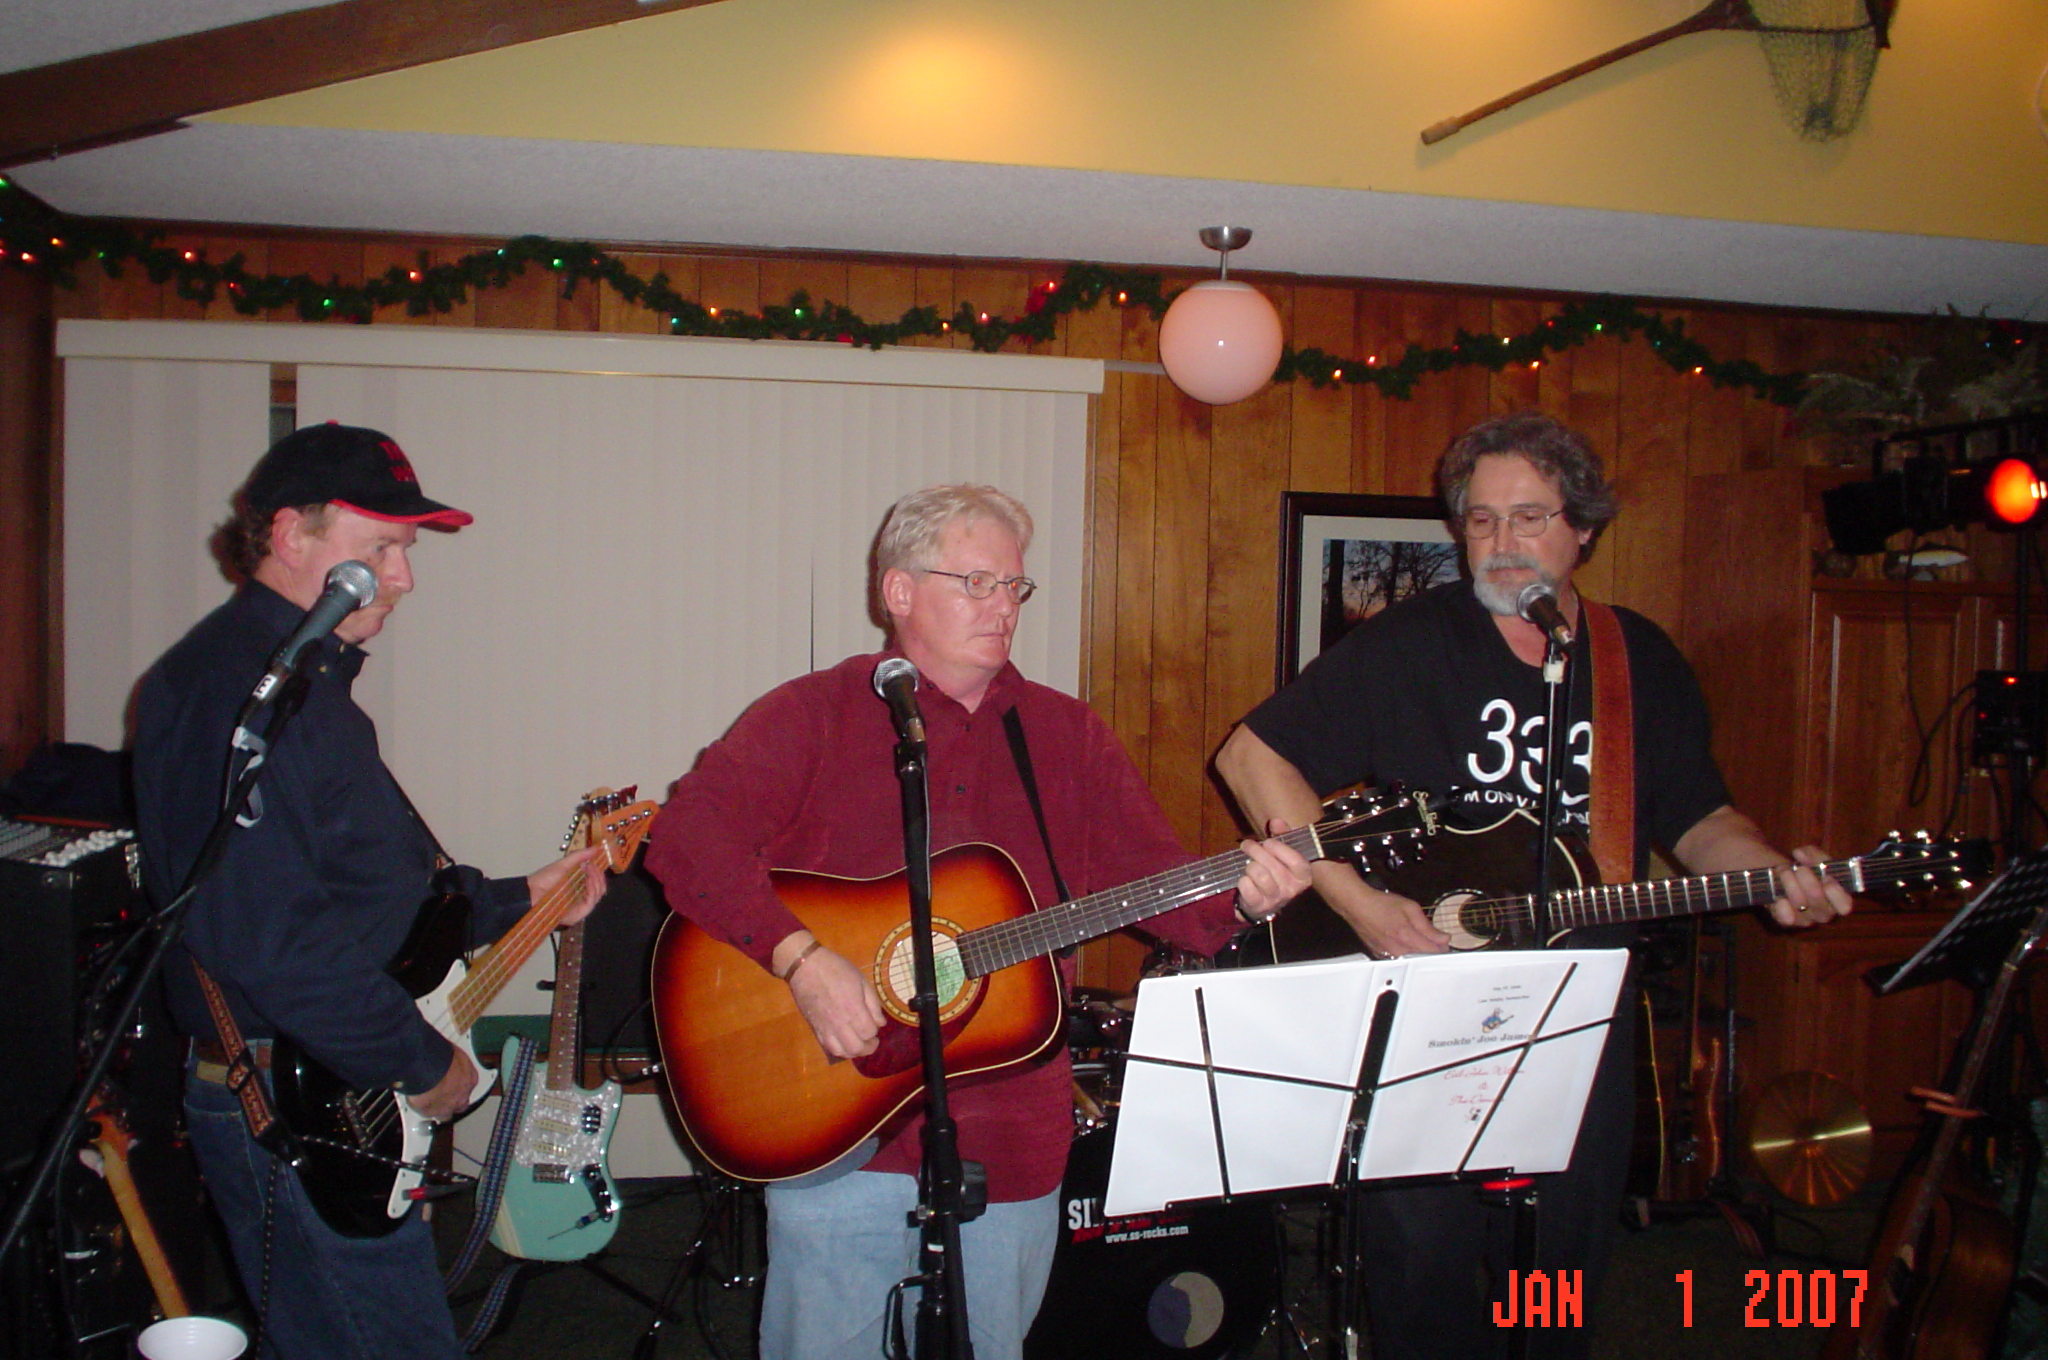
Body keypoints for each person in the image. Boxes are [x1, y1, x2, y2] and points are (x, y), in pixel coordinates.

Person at [1215, 412, 1853, 1360]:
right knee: (1420, 1282)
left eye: (1528, 517)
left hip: (1577, 1017)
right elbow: (1250, 755)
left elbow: (1701, 820)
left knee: (1555, 1286)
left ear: (1583, 528)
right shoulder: (1412, 645)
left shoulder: (1640, 662)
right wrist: (1358, 902)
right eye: (1481, 520)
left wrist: (1770, 876)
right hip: (1429, 1010)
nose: (1502, 541)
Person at [643, 484, 1312, 1360]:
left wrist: (1247, 896)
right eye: (977, 583)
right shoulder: (814, 714)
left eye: (1015, 587)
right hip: (830, 1116)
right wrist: (801, 958)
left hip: (1011, 1132)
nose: (1003, 607)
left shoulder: (1067, 736)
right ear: (899, 590)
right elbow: (687, 837)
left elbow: (1160, 886)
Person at [132, 423, 608, 1360]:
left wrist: (524, 895)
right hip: (295, 1094)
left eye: (407, 550)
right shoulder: (227, 693)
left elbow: (369, 895)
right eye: (381, 549)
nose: (404, 578)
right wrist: (422, 1064)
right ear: (289, 534)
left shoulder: (309, 687)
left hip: (336, 1076)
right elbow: (269, 938)